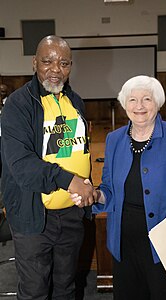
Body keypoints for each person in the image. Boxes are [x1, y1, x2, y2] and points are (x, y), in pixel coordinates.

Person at [71, 75, 166, 300]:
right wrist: (93, 195)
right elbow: (109, 190)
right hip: (124, 244)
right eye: (132, 100)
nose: (139, 106)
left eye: (147, 99)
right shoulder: (114, 139)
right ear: (124, 104)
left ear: (158, 103)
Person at [1, 35, 96, 299]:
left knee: (66, 287)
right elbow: (20, 165)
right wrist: (69, 180)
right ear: (34, 63)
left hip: (71, 216)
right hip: (34, 217)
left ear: (70, 66)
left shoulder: (76, 101)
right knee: (35, 291)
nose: (56, 69)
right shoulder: (18, 105)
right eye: (48, 61)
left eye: (64, 63)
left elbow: (77, 150)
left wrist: (85, 184)